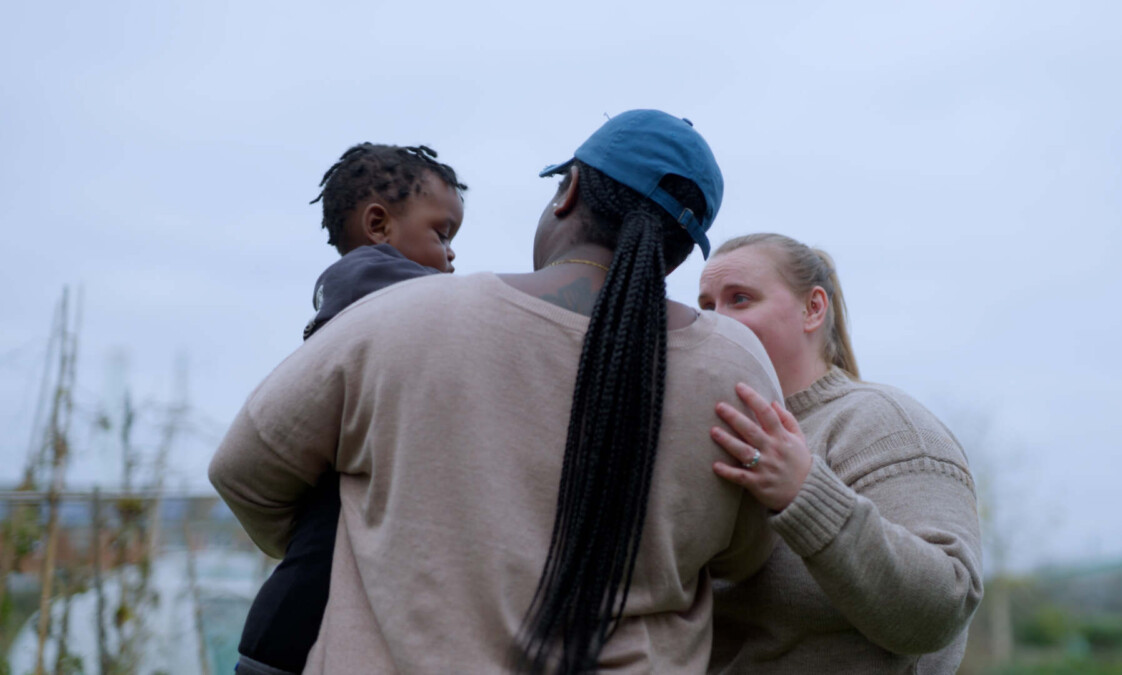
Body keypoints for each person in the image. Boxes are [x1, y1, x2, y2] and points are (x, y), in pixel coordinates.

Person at [210, 110, 781, 673]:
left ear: (569, 191)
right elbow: (746, 551)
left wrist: (373, 547)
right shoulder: (737, 366)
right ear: (682, 248)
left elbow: (244, 471)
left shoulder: (402, 316)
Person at [696, 233, 984, 674]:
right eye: (707, 306)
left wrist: (805, 493)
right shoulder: (707, 433)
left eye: (740, 299)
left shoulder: (884, 424)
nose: (717, 320)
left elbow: (941, 612)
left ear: (813, 308)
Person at [234, 143, 467, 675]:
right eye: (442, 234)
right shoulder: (385, 289)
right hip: (302, 613)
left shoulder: (345, 297)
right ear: (379, 225)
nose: (452, 257)